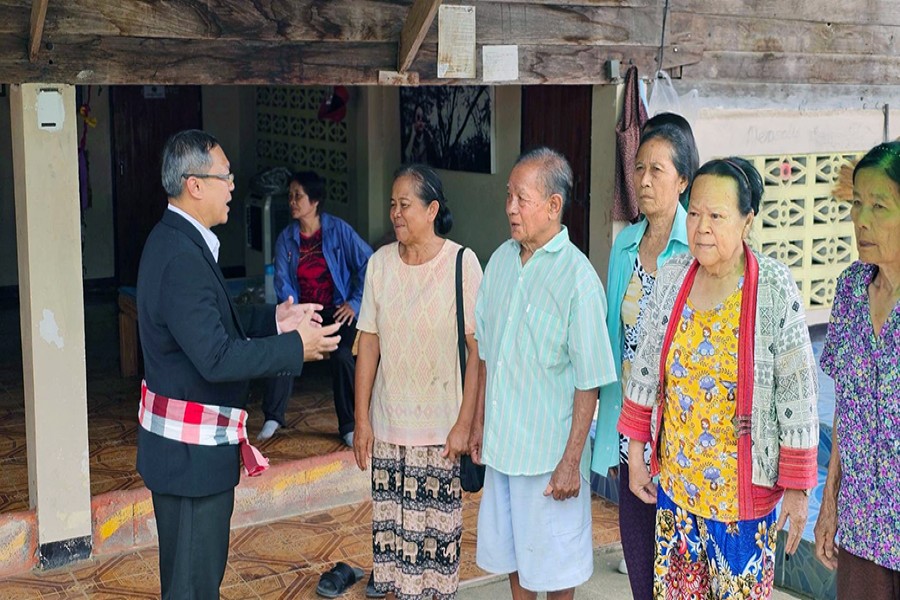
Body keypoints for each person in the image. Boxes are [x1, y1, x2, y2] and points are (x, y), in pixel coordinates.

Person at [135, 129, 340, 599]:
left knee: (194, 581)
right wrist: (295, 347)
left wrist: (274, 320)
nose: (233, 186)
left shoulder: (178, 241)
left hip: (189, 456)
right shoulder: (182, 258)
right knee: (192, 588)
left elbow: (210, 324)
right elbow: (216, 357)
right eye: (225, 177)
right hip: (189, 461)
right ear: (195, 185)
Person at [617, 157, 819, 598]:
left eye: (716, 216)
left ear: (747, 220)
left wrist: (798, 490)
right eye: (694, 213)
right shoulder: (674, 276)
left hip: (741, 507)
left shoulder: (773, 287)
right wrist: (635, 452)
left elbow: (798, 391)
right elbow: (645, 366)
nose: (702, 227)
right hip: (677, 492)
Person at [470, 147, 617, 599]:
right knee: (513, 557)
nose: (510, 208)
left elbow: (589, 380)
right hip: (502, 448)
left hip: (548, 458)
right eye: (508, 196)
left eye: (522, 198)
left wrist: (572, 461)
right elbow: (486, 354)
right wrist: (478, 423)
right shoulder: (500, 261)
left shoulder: (578, 279)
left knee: (554, 567)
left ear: (554, 206)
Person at [353, 164, 483, 599]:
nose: (395, 213)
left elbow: (477, 352)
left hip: (441, 435)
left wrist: (466, 423)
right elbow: (368, 343)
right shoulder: (379, 265)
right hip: (389, 430)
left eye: (404, 204)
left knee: (434, 558)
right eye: (392, 204)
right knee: (392, 557)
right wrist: (362, 420)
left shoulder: (462, 264)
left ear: (432, 210)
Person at [592, 118, 699, 598]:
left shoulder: (697, 248)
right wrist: (611, 437)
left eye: (658, 170)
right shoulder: (625, 246)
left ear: (683, 180)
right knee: (640, 565)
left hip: (682, 439)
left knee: (680, 573)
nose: (645, 180)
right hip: (630, 433)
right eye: (639, 169)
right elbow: (614, 341)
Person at [814, 141, 900, 597]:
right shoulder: (850, 289)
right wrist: (829, 503)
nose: (860, 219)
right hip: (863, 525)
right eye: (856, 203)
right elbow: (846, 408)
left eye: (879, 206)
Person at [259, 170, 373, 445]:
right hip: (303, 312)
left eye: (298, 196)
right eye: (290, 196)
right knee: (285, 346)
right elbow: (283, 282)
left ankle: (349, 425)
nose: (292, 202)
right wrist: (299, 313)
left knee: (342, 356)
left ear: (315, 201)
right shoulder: (286, 238)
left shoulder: (338, 230)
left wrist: (355, 302)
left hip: (337, 311)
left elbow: (370, 263)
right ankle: (273, 416)